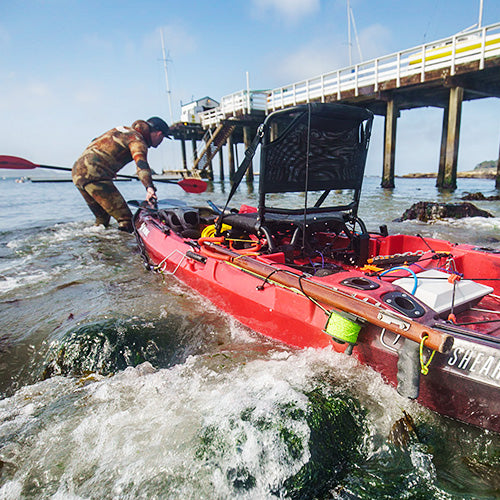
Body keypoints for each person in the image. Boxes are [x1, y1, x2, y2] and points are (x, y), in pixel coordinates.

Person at [72, 117, 171, 232]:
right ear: (158, 134)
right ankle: (124, 247)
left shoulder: (122, 130)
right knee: (127, 220)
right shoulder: (137, 140)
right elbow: (141, 164)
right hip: (95, 175)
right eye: (163, 137)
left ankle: (99, 245)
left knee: (102, 219)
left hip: (77, 172)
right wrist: (149, 187)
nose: (161, 141)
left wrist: (107, 169)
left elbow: (95, 141)